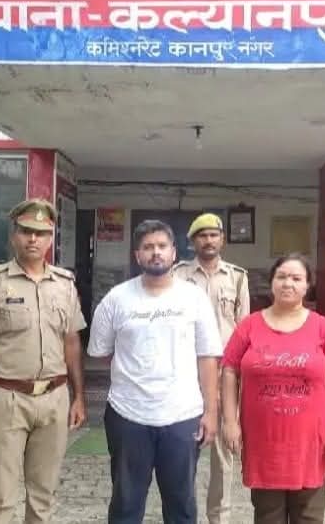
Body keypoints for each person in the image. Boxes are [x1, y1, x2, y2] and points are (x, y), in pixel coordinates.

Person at [88, 219, 223, 524]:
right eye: (148, 247)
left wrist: (211, 412)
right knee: (125, 503)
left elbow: (207, 357)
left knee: (181, 505)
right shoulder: (116, 299)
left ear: (174, 252)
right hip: (128, 416)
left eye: (162, 246)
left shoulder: (194, 298)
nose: (156, 252)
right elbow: (102, 352)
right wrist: (134, 373)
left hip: (182, 416)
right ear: (137, 255)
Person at [0, 198, 87, 524]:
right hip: (8, 399)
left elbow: (72, 342)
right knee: (2, 497)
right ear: (13, 235)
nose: (33, 239)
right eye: (26, 231)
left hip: (55, 398)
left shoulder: (64, 285)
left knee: (44, 496)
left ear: (51, 238)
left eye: (41, 233)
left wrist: (79, 397)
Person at [221, 253, 325, 524]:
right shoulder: (249, 326)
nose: (288, 283)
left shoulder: (323, 328)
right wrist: (230, 422)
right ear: (272, 283)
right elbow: (229, 371)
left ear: (307, 285)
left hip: (310, 444)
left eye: (296, 278)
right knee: (267, 515)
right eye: (281, 277)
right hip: (264, 443)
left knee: (309, 517)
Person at [173, 212, 250, 524]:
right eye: (202, 236)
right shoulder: (178, 276)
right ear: (193, 242)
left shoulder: (237, 277)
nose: (208, 240)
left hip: (225, 374)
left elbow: (244, 330)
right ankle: (184, 515)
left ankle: (219, 518)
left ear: (222, 240)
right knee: (183, 454)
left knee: (224, 454)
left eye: (214, 235)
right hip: (186, 374)